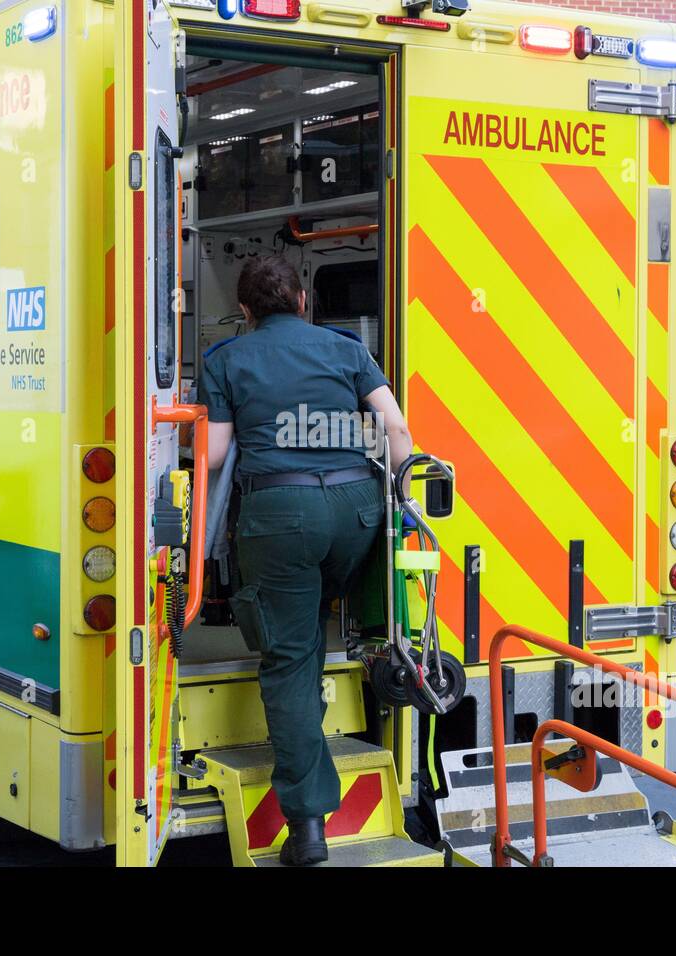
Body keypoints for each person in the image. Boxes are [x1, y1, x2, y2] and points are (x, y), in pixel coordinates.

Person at [200, 256, 412, 866]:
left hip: (282, 514)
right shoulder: (345, 349)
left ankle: (308, 825)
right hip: (357, 512)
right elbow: (395, 431)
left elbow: (213, 456)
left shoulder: (227, 361)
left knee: (287, 656)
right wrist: (400, 503)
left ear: (245, 311)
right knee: (312, 614)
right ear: (300, 301)